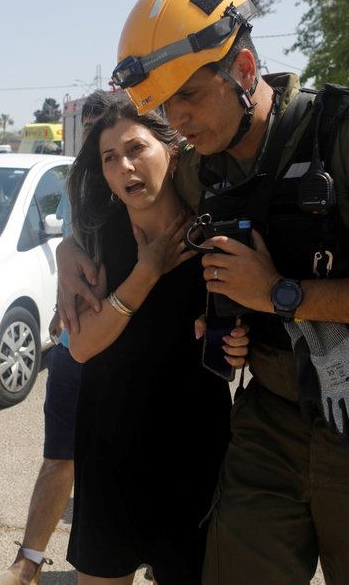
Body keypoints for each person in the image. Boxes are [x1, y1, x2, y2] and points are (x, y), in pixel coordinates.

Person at [58, 0, 349, 584]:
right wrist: (69, 250)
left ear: (245, 71)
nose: (179, 118)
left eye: (191, 95)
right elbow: (128, 194)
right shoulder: (204, 170)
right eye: (166, 105)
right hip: (270, 420)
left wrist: (280, 294)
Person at [62, 97, 246, 585]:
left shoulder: (215, 229)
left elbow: (243, 327)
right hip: (109, 442)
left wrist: (240, 341)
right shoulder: (96, 238)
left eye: (136, 148)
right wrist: (148, 270)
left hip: (194, 446)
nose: (124, 165)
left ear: (173, 150)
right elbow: (81, 347)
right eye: (108, 158)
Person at [0, 92, 120, 585]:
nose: (103, 144)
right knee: (60, 454)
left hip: (129, 343)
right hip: (76, 338)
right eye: (92, 130)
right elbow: (74, 240)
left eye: (110, 130)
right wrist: (63, 292)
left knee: (133, 456)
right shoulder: (79, 183)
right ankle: (27, 563)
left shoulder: (151, 182)